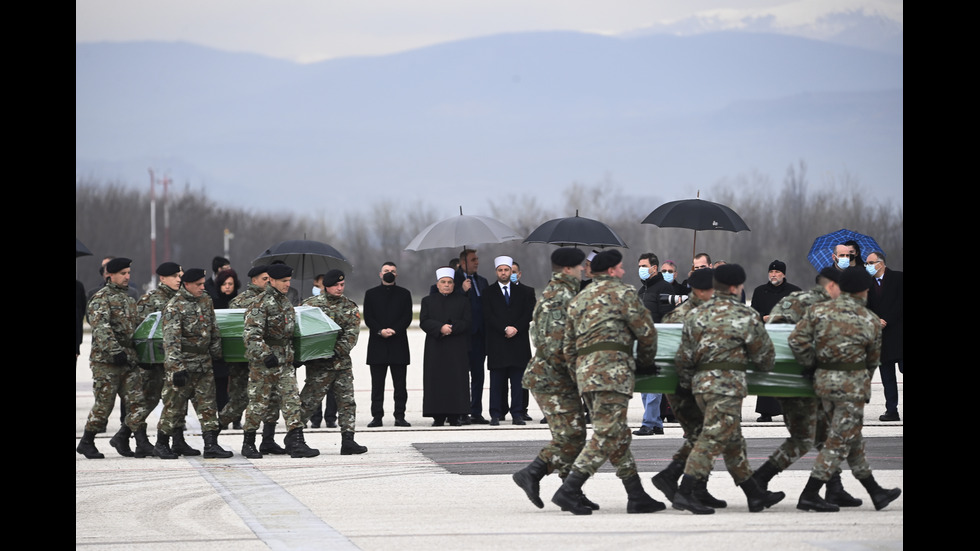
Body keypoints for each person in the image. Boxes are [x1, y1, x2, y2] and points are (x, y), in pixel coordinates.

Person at [551, 249, 665, 515]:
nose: (625, 272)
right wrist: (646, 364)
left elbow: (567, 344)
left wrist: (578, 371)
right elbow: (646, 333)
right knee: (606, 433)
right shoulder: (624, 294)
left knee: (616, 433)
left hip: (586, 374)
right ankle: (569, 489)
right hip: (613, 373)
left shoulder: (579, 298)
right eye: (622, 268)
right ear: (612, 270)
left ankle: (636, 494)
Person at [671, 264, 784, 515]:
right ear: (735, 287)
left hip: (700, 386)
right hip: (727, 386)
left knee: (732, 440)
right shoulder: (745, 315)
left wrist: (691, 382)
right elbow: (765, 358)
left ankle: (754, 494)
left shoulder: (695, 314)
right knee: (711, 438)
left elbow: (683, 358)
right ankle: (685, 491)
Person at [788, 266, 902, 512]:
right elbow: (873, 360)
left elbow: (796, 340)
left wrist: (811, 365)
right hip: (851, 388)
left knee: (851, 438)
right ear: (864, 290)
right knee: (839, 440)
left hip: (822, 384)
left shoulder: (818, 311)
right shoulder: (869, 319)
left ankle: (875, 491)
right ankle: (809, 493)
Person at [751, 267, 863, 508]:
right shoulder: (811, 305)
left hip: (791, 376)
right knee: (805, 437)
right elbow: (783, 337)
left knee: (822, 433)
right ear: (832, 286)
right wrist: (811, 365)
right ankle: (760, 480)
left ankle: (834, 488)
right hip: (794, 378)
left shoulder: (797, 299)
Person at [512, 248, 599, 512]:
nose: (584, 269)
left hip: (561, 378)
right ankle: (532, 473)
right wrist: (580, 376)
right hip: (551, 378)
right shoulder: (558, 297)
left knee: (573, 435)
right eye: (580, 266)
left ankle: (569, 489)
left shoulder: (567, 293)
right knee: (570, 435)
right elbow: (552, 345)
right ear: (568, 268)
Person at [650, 268, 726, 509]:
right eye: (712, 289)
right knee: (707, 437)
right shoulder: (686, 316)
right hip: (686, 388)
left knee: (700, 437)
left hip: (690, 386)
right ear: (702, 291)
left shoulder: (688, 313)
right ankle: (684, 486)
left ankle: (692, 485)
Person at [152, 268, 233, 459]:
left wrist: (216, 352)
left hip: (203, 364)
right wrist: (176, 368)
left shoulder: (205, 300)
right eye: (198, 284)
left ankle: (211, 445)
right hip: (183, 365)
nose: (202, 287)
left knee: (208, 406)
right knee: (174, 406)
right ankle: (161, 443)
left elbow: (213, 328)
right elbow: (171, 341)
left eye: (203, 283)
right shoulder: (174, 307)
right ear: (186, 285)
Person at [241, 263, 318, 459]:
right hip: (264, 364)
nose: (287, 284)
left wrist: (295, 355)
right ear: (272, 281)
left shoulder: (285, 303)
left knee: (292, 401)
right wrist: (265, 355)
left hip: (285, 362)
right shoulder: (260, 303)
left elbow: (289, 334)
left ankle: (297, 442)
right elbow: (251, 336)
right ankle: (248, 443)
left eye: (288, 281)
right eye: (284, 281)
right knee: (258, 404)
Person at [77, 258, 153, 459]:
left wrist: (141, 353)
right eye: (123, 273)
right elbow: (101, 328)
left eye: (128, 273)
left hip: (128, 360)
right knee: (104, 404)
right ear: (110, 275)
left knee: (137, 401)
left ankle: (141, 441)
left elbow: (135, 328)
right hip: (106, 362)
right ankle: (87, 441)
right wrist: (115, 351)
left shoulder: (129, 299)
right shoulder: (101, 298)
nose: (127, 277)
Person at [218, 265, 285, 454]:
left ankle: (268, 439)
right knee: (240, 401)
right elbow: (236, 332)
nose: (268, 282)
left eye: (269, 279)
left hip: (268, 360)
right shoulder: (240, 302)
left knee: (272, 398)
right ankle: (214, 431)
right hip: (244, 361)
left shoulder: (275, 300)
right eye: (264, 279)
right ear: (254, 280)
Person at [134, 262, 199, 456]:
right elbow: (139, 331)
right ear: (162, 278)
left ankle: (178, 440)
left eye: (180, 276)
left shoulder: (183, 299)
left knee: (178, 400)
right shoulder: (150, 299)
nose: (179, 279)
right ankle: (136, 439)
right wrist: (143, 358)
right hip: (154, 362)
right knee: (148, 400)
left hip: (174, 360)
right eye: (175, 276)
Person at [300, 269, 368, 455]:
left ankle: (348, 440)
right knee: (308, 401)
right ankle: (295, 436)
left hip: (341, 364)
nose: (340, 288)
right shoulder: (310, 306)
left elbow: (351, 336)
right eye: (336, 285)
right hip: (318, 365)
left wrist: (334, 351)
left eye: (342, 285)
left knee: (347, 402)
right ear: (326, 286)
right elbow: (302, 332)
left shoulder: (349, 307)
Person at [483, 256, 536, 426]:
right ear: (496, 272)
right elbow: (487, 315)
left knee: (518, 381)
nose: (504, 273)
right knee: (497, 381)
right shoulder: (488, 292)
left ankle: (518, 413)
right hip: (498, 342)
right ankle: (496, 414)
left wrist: (516, 328)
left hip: (518, 342)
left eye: (507, 270)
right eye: (501, 270)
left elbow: (528, 313)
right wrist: (504, 328)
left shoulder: (525, 292)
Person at [749, 260, 802, 422]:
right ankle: (766, 412)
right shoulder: (759, 291)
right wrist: (763, 318)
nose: (774, 275)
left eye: (777, 272)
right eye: (771, 272)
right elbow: (753, 314)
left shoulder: (794, 291)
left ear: (784, 274)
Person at [362, 262, 414, 427]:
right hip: (378, 344)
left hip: (398, 343)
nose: (389, 273)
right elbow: (368, 317)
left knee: (400, 385)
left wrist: (394, 330)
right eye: (386, 271)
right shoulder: (370, 294)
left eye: (392, 271)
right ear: (380, 274)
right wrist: (380, 331)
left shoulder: (405, 294)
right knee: (377, 385)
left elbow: (407, 317)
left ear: (396, 274)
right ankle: (377, 416)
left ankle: (400, 415)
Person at [419, 267, 472, 426]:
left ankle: (455, 415)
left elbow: (468, 322)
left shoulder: (463, 301)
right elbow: (424, 321)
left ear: (454, 284)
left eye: (449, 282)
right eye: (443, 282)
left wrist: (452, 328)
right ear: (437, 284)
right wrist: (440, 328)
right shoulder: (428, 301)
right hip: (436, 347)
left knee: (456, 380)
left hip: (457, 348)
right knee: (436, 380)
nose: (447, 285)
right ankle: (438, 416)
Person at [633, 252, 672, 436]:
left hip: (658, 341)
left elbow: (668, 317)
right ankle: (656, 423)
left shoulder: (664, 288)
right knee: (644, 385)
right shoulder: (642, 291)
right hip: (642, 343)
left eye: (643, 266)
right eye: (639, 266)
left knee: (654, 385)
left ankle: (648, 422)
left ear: (654, 268)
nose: (640, 269)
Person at [865, 251, 903, 422]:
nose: (868, 266)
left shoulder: (898, 278)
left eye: (870, 262)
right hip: (881, 338)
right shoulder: (866, 284)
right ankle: (891, 410)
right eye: (867, 263)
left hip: (899, 333)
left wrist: (887, 319)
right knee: (887, 377)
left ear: (880, 263)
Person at [456, 248, 491, 424]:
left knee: (478, 375)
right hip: (463, 336)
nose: (477, 262)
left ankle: (476, 410)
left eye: (477, 259)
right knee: (462, 375)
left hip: (479, 336)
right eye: (473, 259)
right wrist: (462, 290)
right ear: (463, 263)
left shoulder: (482, 281)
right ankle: (462, 411)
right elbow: (451, 305)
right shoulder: (454, 281)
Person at [307, 272, 338, 428]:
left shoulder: (337, 304)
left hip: (333, 352)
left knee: (332, 387)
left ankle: (331, 417)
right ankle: (315, 417)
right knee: (314, 387)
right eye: (316, 285)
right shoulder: (310, 304)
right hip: (315, 352)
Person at [211, 268, 240, 416]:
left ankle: (235, 418)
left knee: (237, 387)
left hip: (237, 350)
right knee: (220, 386)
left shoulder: (240, 302)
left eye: (230, 283)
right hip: (219, 351)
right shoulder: (213, 303)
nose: (227, 287)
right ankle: (222, 414)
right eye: (224, 284)